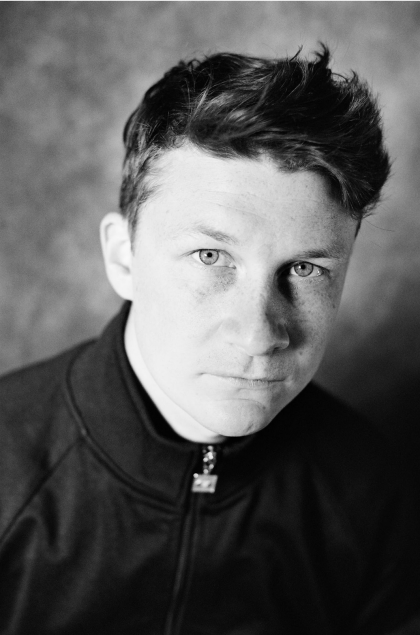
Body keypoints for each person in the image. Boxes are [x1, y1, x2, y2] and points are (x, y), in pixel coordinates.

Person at [0, 45, 418, 635]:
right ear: (123, 258)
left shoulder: (373, 496)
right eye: (210, 256)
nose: (259, 334)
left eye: (305, 269)